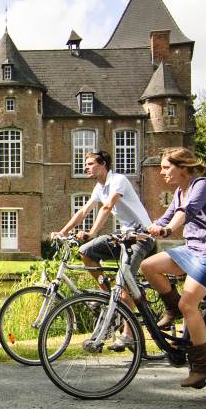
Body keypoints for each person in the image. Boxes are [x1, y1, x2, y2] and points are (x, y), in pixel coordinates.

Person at [140, 147, 206, 389]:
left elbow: (186, 212)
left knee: (189, 304)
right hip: (192, 249)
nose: (162, 173)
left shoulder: (201, 185)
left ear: (183, 168)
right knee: (148, 266)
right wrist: (144, 231)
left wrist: (168, 230)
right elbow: (167, 216)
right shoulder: (179, 191)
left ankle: (203, 366)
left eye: (166, 167)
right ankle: (173, 309)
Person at [49, 150, 154, 352]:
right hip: (123, 236)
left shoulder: (118, 180)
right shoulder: (99, 187)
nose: (85, 167)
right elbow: (83, 211)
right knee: (86, 252)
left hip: (141, 237)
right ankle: (107, 296)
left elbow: (106, 208)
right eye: (85, 164)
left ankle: (127, 335)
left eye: (89, 163)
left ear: (103, 164)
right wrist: (62, 232)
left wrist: (91, 232)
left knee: (125, 284)